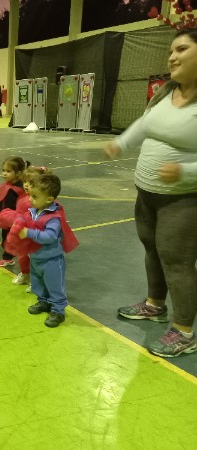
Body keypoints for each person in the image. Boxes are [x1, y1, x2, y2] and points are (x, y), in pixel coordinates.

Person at [103, 29, 197, 358]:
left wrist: (184, 171)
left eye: (182, 49)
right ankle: (154, 304)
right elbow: (143, 125)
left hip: (183, 199)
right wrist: (121, 143)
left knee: (178, 262)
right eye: (171, 50)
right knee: (152, 250)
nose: (172, 56)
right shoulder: (166, 92)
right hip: (147, 193)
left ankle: (184, 330)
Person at [10, 174, 79, 328]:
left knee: (55, 286)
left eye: (34, 196)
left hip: (51, 260)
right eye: (30, 195)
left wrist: (29, 233)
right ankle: (44, 302)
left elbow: (50, 236)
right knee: (38, 284)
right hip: (35, 258)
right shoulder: (34, 211)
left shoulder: (54, 217)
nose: (30, 199)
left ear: (48, 199)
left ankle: (58, 311)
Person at [0, 156, 27, 267]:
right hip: (6, 220)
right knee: (6, 239)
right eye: (3, 170)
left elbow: (23, 205)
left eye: (8, 171)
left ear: (18, 173)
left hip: (15, 220)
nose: (4, 173)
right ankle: (11, 255)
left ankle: (8, 258)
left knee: (10, 240)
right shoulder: (6, 186)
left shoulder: (20, 188)